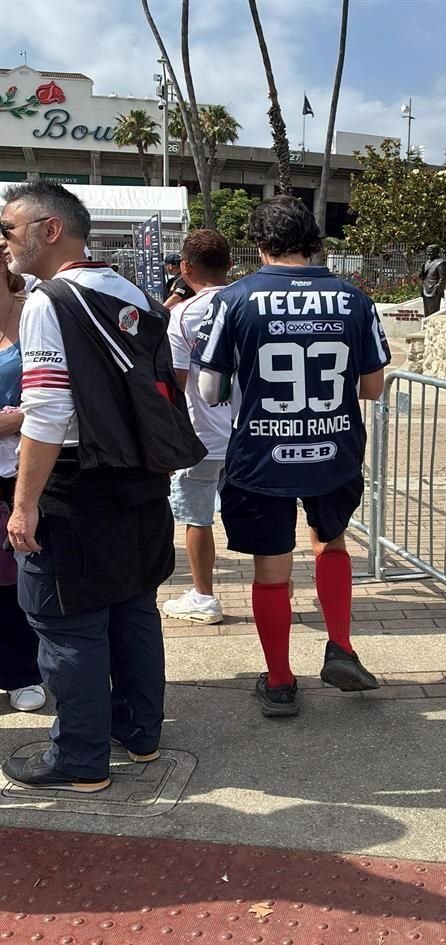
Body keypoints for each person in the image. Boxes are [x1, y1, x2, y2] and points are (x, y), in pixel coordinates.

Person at [0, 180, 205, 793]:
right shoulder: (130, 291)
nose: (5, 243)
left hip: (74, 484)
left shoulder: (49, 301)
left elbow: (46, 412)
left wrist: (24, 504)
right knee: (133, 608)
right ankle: (140, 734)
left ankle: (80, 759)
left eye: (10, 230)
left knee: (66, 620)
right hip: (139, 479)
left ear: (49, 229)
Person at [191, 195, 391, 718]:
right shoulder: (354, 299)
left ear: (260, 245)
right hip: (335, 448)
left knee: (271, 569)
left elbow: (210, 389)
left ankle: (280, 681)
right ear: (315, 242)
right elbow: (373, 386)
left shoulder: (232, 299)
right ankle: (342, 647)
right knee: (331, 541)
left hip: (261, 453)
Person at [163, 230, 232, 624]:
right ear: (229, 265)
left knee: (197, 517)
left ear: (185, 267)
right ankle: (276, 587)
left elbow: (176, 380)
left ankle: (204, 596)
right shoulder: (246, 303)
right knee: (264, 513)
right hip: (252, 433)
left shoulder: (183, 315)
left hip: (202, 433)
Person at [0, 254, 46, 713]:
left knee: (16, 578)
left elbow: (57, 395)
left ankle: (21, 670)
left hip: (22, 468)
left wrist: (21, 418)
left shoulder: (35, 308)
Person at [421, 244, 446, 316]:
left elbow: (443, 278)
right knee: (426, 313)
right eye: (427, 251)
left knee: (433, 313)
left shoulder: (441, 262)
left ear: (437, 252)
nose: (428, 253)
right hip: (425, 290)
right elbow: (424, 276)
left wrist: (437, 289)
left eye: (431, 251)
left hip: (434, 291)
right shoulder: (427, 262)